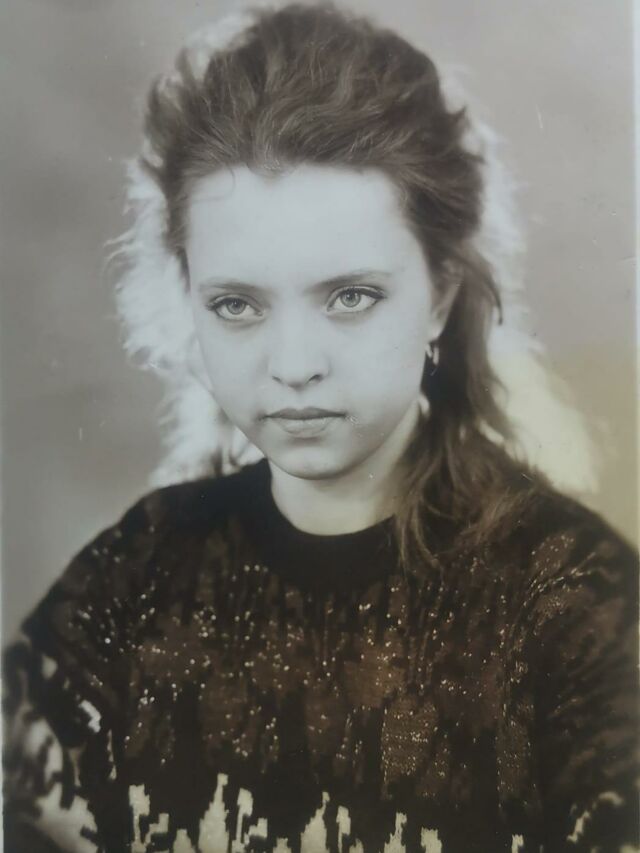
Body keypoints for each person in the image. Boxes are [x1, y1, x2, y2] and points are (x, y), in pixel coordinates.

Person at [2, 4, 638, 851]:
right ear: (190, 299)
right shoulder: (131, 581)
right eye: (238, 305)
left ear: (441, 295)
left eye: (350, 296)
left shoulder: (578, 609)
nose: (293, 364)